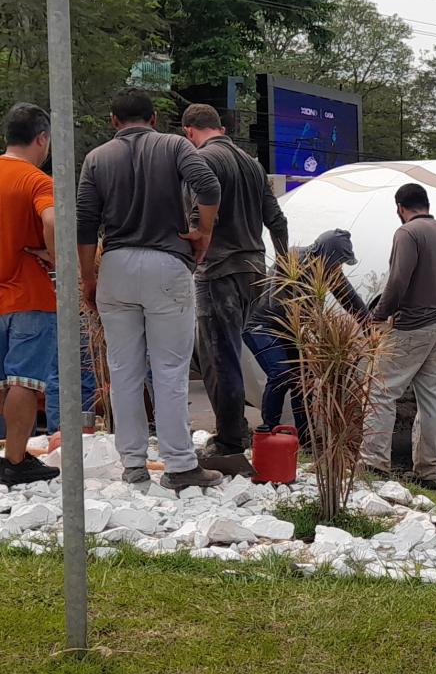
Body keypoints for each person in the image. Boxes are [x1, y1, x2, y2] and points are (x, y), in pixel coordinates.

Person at [77, 89, 223, 489]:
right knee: (170, 369)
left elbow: (86, 223)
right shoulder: (175, 146)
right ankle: (179, 465)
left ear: (112, 120)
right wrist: (202, 233)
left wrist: (90, 279)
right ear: (155, 119)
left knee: (124, 370)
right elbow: (208, 187)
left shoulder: (97, 159)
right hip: (167, 264)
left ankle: (134, 464)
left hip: (116, 267)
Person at [181, 104, 289, 459]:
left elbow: (196, 218)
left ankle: (229, 442)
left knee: (218, 357)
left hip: (219, 270)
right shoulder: (251, 164)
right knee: (225, 353)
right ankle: (235, 428)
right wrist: (284, 268)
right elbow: (277, 220)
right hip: (255, 272)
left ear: (189, 132)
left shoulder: (204, 160)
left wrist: (192, 253)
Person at [360, 183, 436, 489]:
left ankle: (374, 463)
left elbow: (398, 279)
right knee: (430, 400)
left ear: (400, 208)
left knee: (381, 392)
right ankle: (428, 472)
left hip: (411, 326)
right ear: (426, 204)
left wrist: (378, 316)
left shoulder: (407, 233)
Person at [246, 228, 369, 437]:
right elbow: (277, 303)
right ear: (326, 255)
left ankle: (305, 436)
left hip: (293, 331)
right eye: (337, 261)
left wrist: (371, 327)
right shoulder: (292, 258)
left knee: (304, 379)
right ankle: (268, 431)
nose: (338, 268)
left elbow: (351, 301)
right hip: (263, 326)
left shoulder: (330, 272)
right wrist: (313, 326)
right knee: (281, 374)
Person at [0, 103, 61, 485]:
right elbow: (52, 219)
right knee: (23, 382)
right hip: (30, 297)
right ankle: (17, 461)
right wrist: (56, 258)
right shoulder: (37, 181)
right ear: (41, 138)